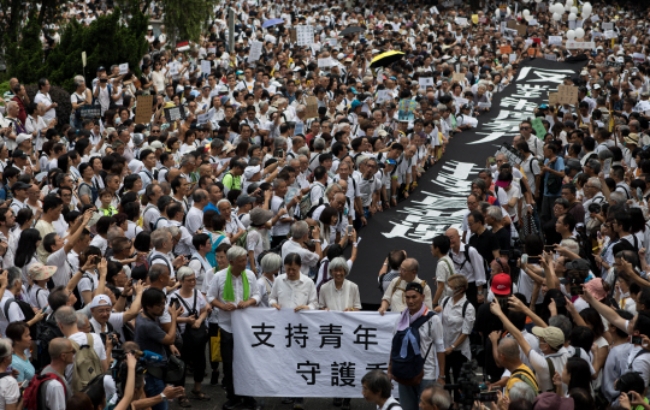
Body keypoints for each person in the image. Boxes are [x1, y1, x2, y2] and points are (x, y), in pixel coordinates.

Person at [207, 245, 260, 410]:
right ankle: (233, 397)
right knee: (229, 365)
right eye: (241, 261)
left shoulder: (250, 275)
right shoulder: (219, 277)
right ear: (231, 262)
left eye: (245, 259)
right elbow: (210, 297)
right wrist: (222, 307)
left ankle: (249, 397)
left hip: (245, 328)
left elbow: (257, 295)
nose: (245, 263)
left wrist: (249, 302)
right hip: (227, 327)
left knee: (247, 363)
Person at [269, 253, 318, 410]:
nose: (290, 272)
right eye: (288, 269)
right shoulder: (278, 280)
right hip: (283, 327)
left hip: (301, 328)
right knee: (284, 361)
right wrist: (274, 304)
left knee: (300, 361)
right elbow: (272, 298)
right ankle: (287, 391)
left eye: (294, 270)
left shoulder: (308, 282)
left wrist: (307, 307)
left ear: (300, 267)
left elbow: (315, 304)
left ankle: (299, 396)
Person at [388, 282, 445, 410]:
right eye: (407, 297)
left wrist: (441, 376)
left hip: (426, 373)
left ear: (422, 297)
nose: (410, 301)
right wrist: (390, 369)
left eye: (414, 297)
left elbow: (440, 348)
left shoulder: (433, 319)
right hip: (404, 372)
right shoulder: (400, 318)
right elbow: (394, 346)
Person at [134, 288, 183, 410]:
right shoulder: (147, 324)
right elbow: (170, 339)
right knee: (161, 404)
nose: (163, 307)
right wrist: (174, 317)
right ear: (148, 306)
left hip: (153, 369)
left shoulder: (146, 315)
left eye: (163, 303)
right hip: (152, 373)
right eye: (158, 305)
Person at [169, 267, 210, 403]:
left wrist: (199, 320)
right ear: (180, 281)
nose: (193, 282)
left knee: (200, 363)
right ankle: (181, 393)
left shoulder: (198, 294)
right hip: (181, 336)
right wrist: (186, 320)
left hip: (197, 335)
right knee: (182, 365)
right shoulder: (173, 297)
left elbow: (204, 310)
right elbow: (170, 318)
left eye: (194, 279)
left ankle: (197, 389)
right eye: (189, 280)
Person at [436, 274, 475, 400]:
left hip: (459, 351)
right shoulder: (446, 301)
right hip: (444, 348)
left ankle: (458, 404)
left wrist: (452, 347)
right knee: (444, 378)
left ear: (461, 289)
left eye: (451, 287)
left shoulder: (468, 308)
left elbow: (465, 332)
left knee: (459, 381)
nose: (448, 288)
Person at [0, 337, 22, 410]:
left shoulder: (9, 381)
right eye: (11, 353)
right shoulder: (10, 382)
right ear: (6, 359)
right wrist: (24, 400)